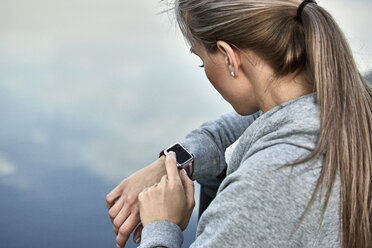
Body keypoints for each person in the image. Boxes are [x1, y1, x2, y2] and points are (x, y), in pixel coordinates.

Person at [106, 0, 372, 247]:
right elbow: (245, 126)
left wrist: (161, 225)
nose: (205, 70)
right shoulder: (345, 101)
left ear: (228, 56)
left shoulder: (268, 184)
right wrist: (173, 163)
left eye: (201, 62)